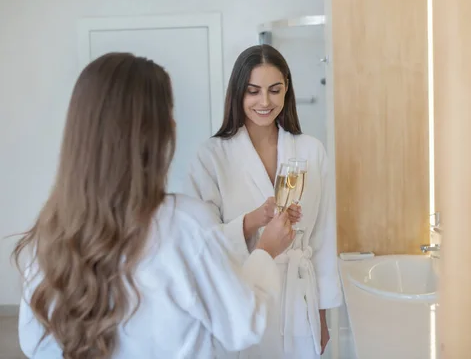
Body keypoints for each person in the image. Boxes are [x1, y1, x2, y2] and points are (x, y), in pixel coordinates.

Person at [12, 52, 295, 359]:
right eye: (169, 112)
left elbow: (33, 344)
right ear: (159, 132)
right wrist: (265, 251)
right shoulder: (185, 225)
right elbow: (244, 325)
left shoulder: (46, 237)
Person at [186, 45, 343, 358]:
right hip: (244, 296)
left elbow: (324, 240)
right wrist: (252, 221)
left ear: (287, 89)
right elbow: (200, 245)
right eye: (253, 91)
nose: (265, 102)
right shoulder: (212, 156)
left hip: (300, 303)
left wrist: (323, 318)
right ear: (238, 93)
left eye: (275, 90)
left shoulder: (311, 151)